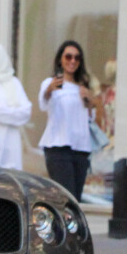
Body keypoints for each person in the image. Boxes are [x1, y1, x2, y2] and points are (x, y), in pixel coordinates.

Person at [37, 40, 98, 200]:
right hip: (58, 147)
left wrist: (90, 102)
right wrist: (49, 90)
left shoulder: (82, 87)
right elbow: (43, 104)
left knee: (75, 199)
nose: (72, 61)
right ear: (60, 60)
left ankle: (72, 226)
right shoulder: (51, 84)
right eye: (68, 57)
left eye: (77, 58)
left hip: (81, 148)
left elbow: (90, 119)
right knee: (66, 197)